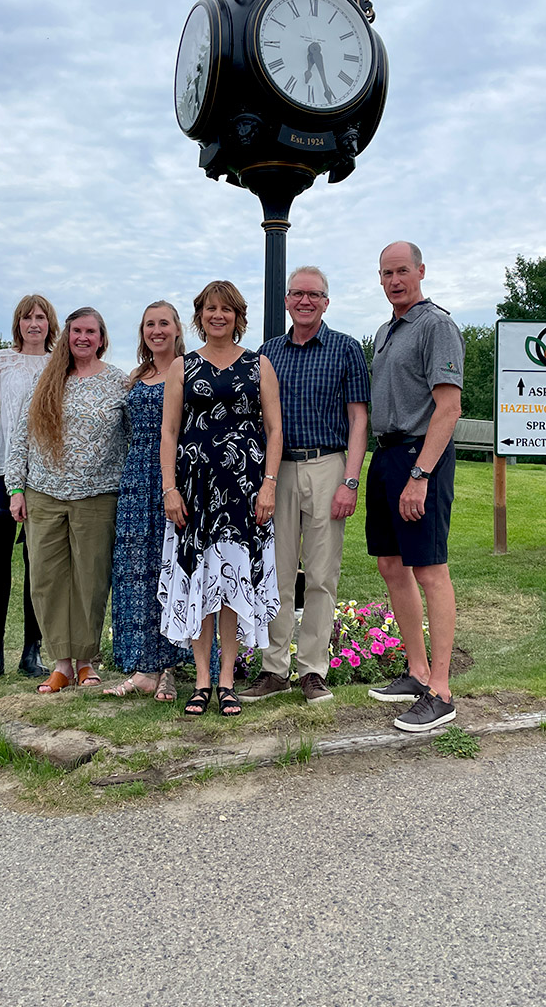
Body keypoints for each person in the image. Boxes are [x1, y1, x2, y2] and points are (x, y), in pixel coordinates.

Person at [239, 266, 370, 705]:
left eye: (314, 295)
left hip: (328, 465)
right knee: (275, 574)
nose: (305, 301)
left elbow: (358, 420)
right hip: (278, 470)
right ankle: (273, 670)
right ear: (287, 301)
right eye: (297, 294)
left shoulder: (346, 349)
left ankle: (312, 670)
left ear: (326, 302)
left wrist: (350, 480)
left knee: (320, 574)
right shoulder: (268, 353)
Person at [158, 280, 282, 717]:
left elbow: (274, 430)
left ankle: (227, 678)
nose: (217, 315)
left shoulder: (258, 365)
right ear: (200, 315)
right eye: (210, 309)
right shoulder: (182, 367)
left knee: (230, 585)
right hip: (194, 492)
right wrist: (170, 488)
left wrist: (268, 483)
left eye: (225, 309)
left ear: (237, 316)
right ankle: (202, 680)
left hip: (243, 492)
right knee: (198, 582)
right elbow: (169, 432)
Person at [366, 241, 464, 732]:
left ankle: (441, 691)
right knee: (391, 565)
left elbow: (448, 409)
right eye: (386, 273)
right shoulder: (387, 331)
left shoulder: (436, 326)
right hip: (385, 455)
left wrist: (420, 476)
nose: (394, 280)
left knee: (429, 570)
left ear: (421, 270)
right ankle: (416, 670)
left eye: (402, 270)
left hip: (419, 456)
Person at [4, 307, 129, 693]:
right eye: (76, 330)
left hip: (96, 495)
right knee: (47, 579)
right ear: (66, 336)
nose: (83, 338)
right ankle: (60, 663)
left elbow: (130, 439)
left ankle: (87, 662)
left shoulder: (119, 383)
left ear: (102, 338)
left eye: (91, 331)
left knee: (90, 580)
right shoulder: (47, 379)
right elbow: (20, 436)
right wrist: (15, 488)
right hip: (44, 493)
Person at [0, 294, 60, 682]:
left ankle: (31, 650)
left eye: (40, 317)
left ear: (50, 323)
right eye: (27, 318)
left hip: (43, 477)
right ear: (17, 324)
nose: (34, 324)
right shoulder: (0, 363)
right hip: (1, 474)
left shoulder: (59, 363)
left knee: (35, 566)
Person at [105, 301, 190, 702]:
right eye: (149, 324)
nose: (157, 330)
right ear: (142, 332)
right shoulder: (136, 377)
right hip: (137, 480)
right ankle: (143, 668)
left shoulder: (189, 370)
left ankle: (170, 668)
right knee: (135, 569)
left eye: (164, 323)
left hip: (173, 478)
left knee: (169, 570)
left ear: (177, 329)